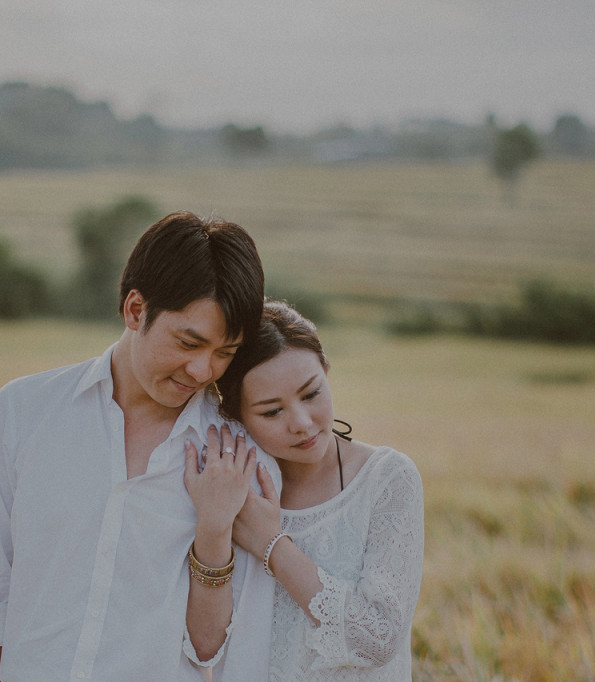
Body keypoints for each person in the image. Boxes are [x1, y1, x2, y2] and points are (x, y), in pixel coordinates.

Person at [0, 211, 280, 681]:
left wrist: (214, 533)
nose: (202, 371)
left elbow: (218, 650)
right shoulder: (22, 411)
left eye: (225, 353)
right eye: (188, 343)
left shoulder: (240, 460)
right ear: (135, 310)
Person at [205, 299, 424, 681]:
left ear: (326, 370)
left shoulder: (387, 479)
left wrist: (272, 545)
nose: (302, 424)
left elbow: (378, 638)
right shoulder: (235, 490)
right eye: (272, 412)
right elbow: (205, 642)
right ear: (236, 415)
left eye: (311, 394)